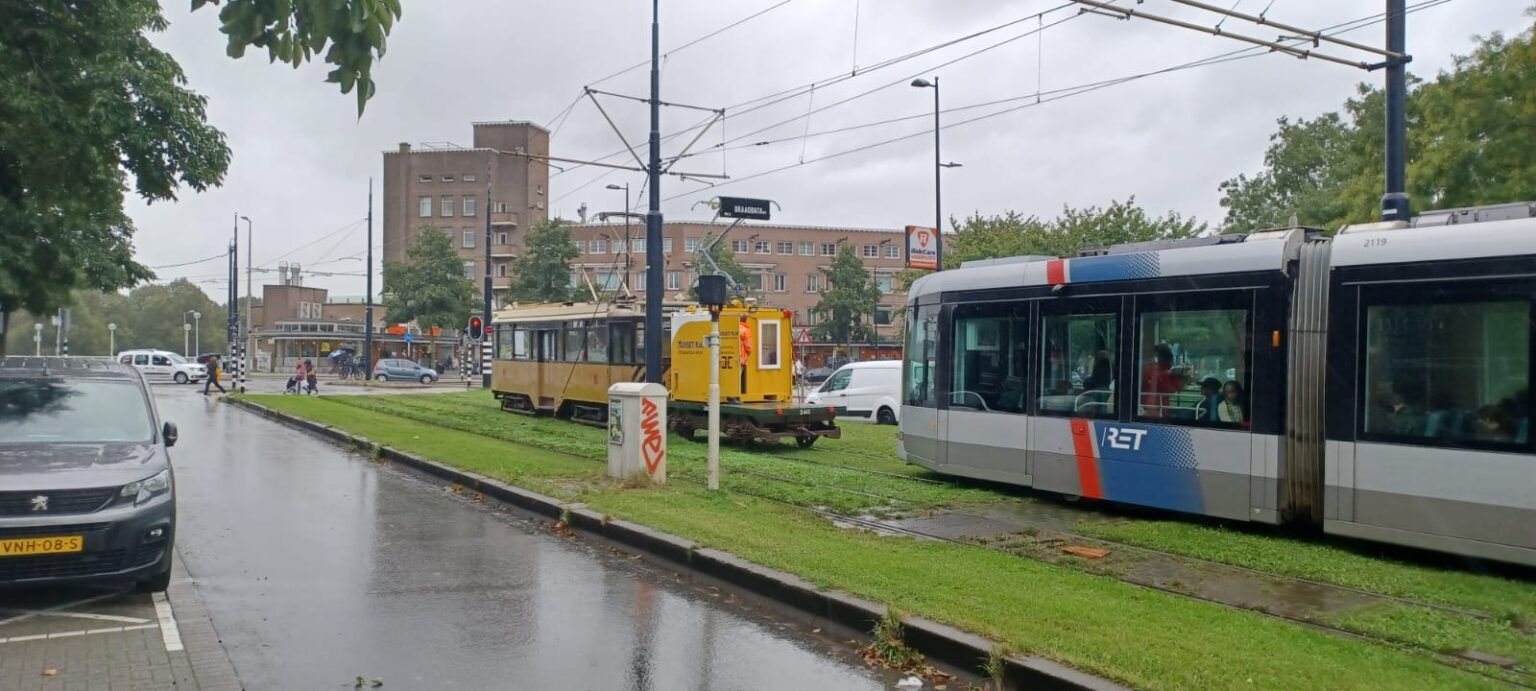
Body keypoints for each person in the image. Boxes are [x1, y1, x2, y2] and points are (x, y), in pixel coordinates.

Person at [1139, 343, 1187, 418]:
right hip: (1157, 410)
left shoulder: (1149, 368)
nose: (1172, 364)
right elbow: (1172, 389)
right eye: (1171, 361)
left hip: (1149, 406)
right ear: (1167, 360)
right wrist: (1180, 377)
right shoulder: (1161, 373)